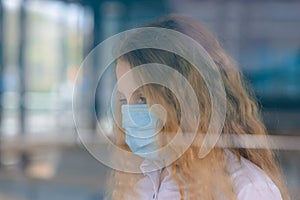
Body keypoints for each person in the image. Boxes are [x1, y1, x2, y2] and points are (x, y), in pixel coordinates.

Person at [105, 14, 290, 200]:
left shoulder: (248, 189)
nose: (128, 115)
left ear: (183, 100)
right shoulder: (142, 178)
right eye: (123, 100)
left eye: (142, 99)